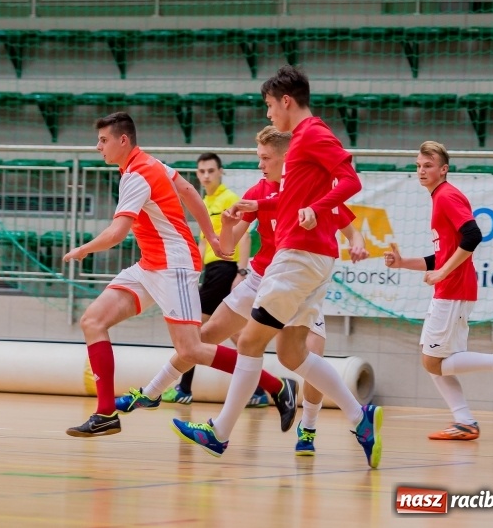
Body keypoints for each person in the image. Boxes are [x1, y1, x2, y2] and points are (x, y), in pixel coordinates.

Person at [170, 65, 383, 469]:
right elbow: (299, 197)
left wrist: (315, 210)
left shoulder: (313, 132)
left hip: (299, 255)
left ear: (286, 101)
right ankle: (360, 418)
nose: (268, 114)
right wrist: (261, 205)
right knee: (290, 353)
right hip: (311, 257)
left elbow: (350, 182)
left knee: (249, 342)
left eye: (269, 105)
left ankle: (219, 434)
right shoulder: (302, 140)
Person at [62, 112, 228, 437]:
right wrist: (210, 236)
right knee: (92, 321)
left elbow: (116, 234)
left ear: (123, 141)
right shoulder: (152, 164)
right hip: (150, 265)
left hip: (174, 266)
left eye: (103, 140)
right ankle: (106, 412)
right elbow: (191, 192)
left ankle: (273, 384)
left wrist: (83, 250)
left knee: (191, 350)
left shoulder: (137, 175)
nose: (98, 147)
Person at [383, 141, 493, 441]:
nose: (421, 171)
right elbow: (443, 255)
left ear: (443, 169)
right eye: (418, 165)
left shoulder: (447, 195)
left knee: (431, 360)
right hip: (452, 288)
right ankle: (465, 422)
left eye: (428, 165)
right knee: (436, 360)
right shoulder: (439, 198)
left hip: (454, 289)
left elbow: (473, 235)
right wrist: (403, 262)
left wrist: (443, 274)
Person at [160, 152, 266, 407]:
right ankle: (260, 388)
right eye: (202, 171)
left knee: (193, 331)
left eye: (211, 171)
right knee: (235, 335)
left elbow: (245, 236)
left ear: (220, 172)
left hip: (225, 268)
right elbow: (202, 241)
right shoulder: (204, 201)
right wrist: (193, 272)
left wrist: (240, 272)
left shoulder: (230, 199)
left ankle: (184, 388)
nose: (206, 175)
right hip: (210, 270)